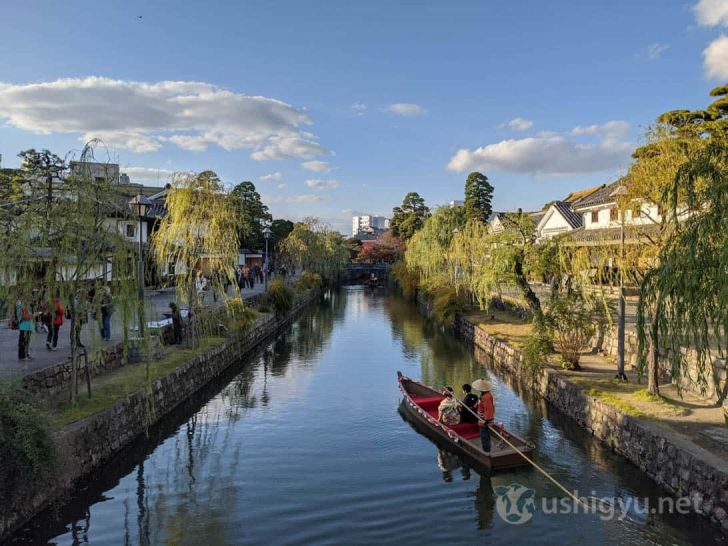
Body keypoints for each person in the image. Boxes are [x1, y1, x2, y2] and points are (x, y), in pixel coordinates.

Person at [472, 378, 495, 454]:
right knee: (484, 434)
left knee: (484, 435)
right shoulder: (483, 395)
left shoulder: (487, 397)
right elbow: (479, 403)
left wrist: (486, 420)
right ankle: (486, 448)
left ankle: (486, 451)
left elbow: (488, 409)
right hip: (482, 418)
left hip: (484, 420)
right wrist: (474, 406)